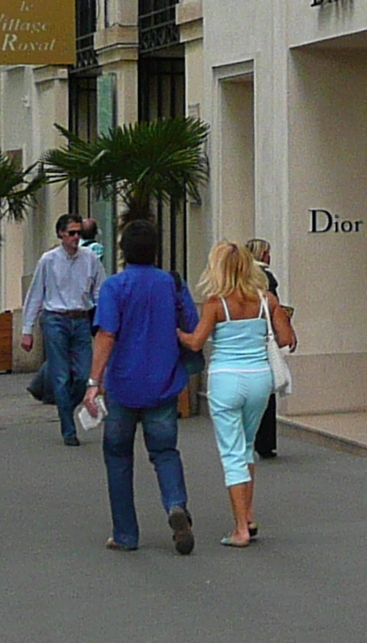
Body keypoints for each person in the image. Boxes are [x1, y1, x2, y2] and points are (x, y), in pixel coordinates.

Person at [90, 221, 202, 553]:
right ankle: (175, 504)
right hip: (164, 382)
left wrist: (93, 382)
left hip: (123, 384)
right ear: (156, 249)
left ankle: (125, 533)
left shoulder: (114, 286)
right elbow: (192, 329)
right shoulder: (172, 283)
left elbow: (106, 335)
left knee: (118, 455)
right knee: (165, 452)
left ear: (123, 251)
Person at [182, 240, 293, 548]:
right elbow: (285, 338)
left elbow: (195, 342)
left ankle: (240, 530)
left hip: (226, 379)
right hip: (260, 378)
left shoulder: (216, 303)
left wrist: (177, 333)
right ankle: (248, 515)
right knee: (246, 448)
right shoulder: (265, 299)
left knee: (231, 453)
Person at [25, 214, 106, 446]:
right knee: (60, 376)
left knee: (83, 375)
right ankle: (68, 430)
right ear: (61, 234)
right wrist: (27, 329)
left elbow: (100, 289)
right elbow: (35, 295)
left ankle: (65, 408)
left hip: (81, 319)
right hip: (55, 319)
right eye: (71, 233)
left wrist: (103, 319)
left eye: (79, 233)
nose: (76, 237)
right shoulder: (48, 260)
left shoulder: (90, 258)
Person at [247, 238, 282, 461]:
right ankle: (265, 441)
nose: (270, 256)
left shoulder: (240, 277)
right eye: (267, 252)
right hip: (262, 337)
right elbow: (275, 307)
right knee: (266, 393)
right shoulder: (266, 278)